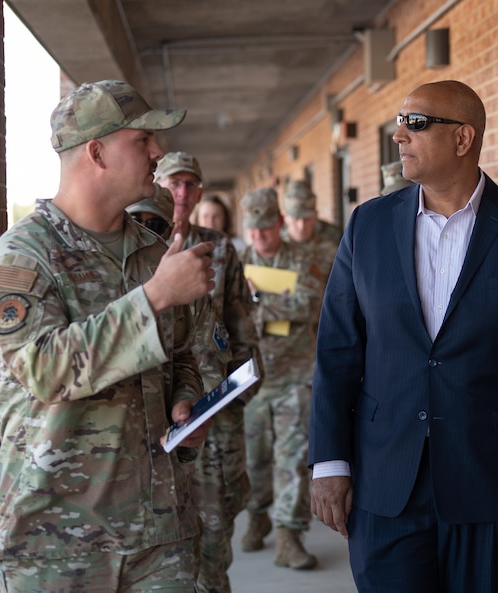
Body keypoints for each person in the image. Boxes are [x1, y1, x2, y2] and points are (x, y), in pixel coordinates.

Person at [308, 80, 498, 593]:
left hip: (487, 482)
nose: (398, 136)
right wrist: (328, 461)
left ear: (463, 138)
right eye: (399, 123)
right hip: (385, 483)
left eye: (415, 123)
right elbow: (336, 352)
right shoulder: (367, 226)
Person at [0, 79, 217, 593]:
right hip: (56, 545)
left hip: (160, 534)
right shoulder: (24, 256)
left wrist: (187, 405)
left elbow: (181, 359)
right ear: (96, 152)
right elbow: (45, 370)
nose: (159, 152)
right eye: (143, 140)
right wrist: (152, 299)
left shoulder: (155, 254)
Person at [155, 151, 264, 593]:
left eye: (190, 184)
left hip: (214, 416)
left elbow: (242, 326)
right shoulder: (140, 242)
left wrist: (238, 395)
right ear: (157, 185)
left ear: (200, 192)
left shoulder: (218, 247)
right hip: (159, 419)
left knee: (215, 540)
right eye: (172, 183)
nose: (181, 193)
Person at [238, 188, 327, 570]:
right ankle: (258, 514)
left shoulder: (303, 260)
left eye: (266, 229)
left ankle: (289, 536)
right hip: (254, 381)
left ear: (279, 222)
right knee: (256, 460)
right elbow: (231, 318)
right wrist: (276, 309)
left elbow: (310, 304)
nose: (260, 237)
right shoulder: (237, 265)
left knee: (292, 458)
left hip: (296, 377)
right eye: (253, 230)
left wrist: (260, 303)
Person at [279, 179, 338, 278]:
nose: (301, 226)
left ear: (316, 217)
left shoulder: (331, 250)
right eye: (296, 218)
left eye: (307, 219)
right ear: (285, 217)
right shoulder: (273, 247)